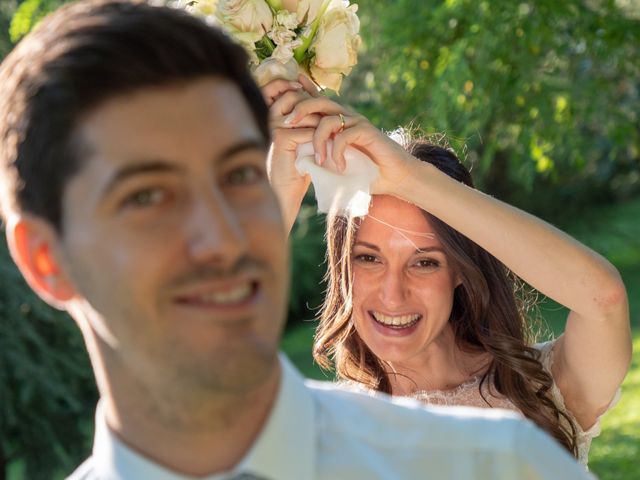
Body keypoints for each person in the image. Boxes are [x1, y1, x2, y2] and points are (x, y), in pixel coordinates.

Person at [0, 1, 594, 479]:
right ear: (47, 260)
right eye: (148, 198)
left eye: (238, 178)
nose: (226, 236)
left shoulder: (498, 465)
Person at [264, 81, 632, 467]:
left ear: (459, 268)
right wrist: (280, 192)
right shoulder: (325, 429)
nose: (393, 294)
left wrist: (410, 178)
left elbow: (602, 300)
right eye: (368, 259)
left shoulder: (544, 389)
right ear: (343, 268)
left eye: (425, 262)